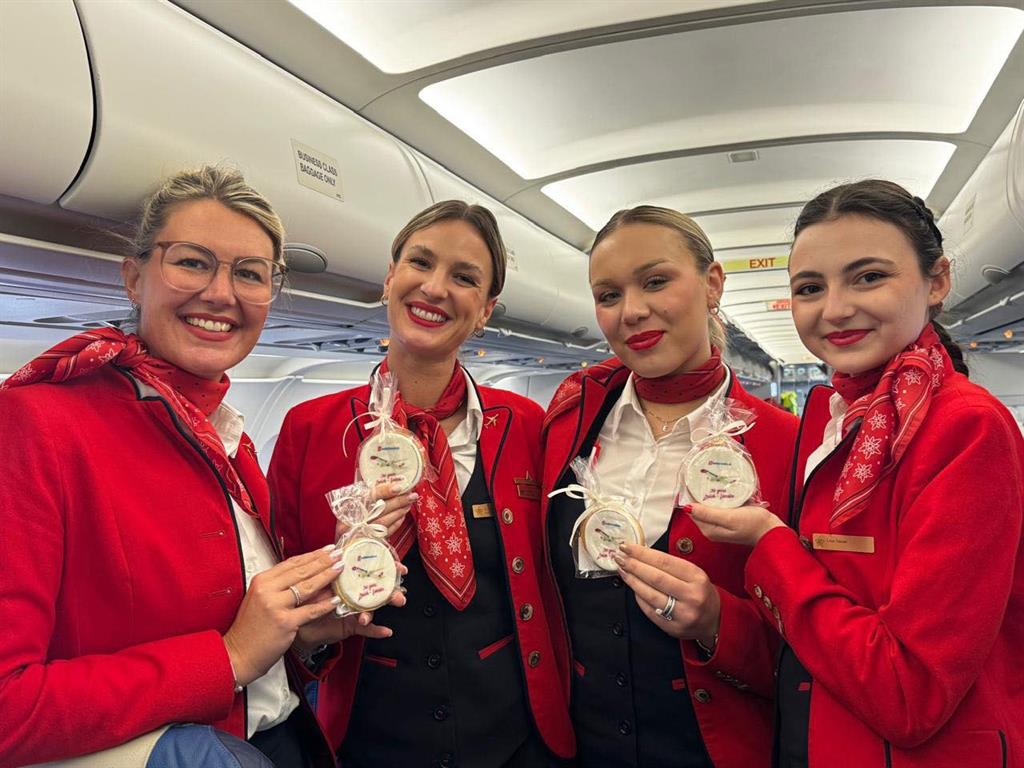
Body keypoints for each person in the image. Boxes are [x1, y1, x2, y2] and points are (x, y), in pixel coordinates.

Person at [0, 166, 401, 768]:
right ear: (134, 278)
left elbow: (253, 659)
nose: (221, 294)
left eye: (249, 273)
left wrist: (302, 637)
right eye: (192, 262)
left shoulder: (232, 440)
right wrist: (230, 657)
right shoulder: (37, 424)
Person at [689, 180, 1024, 767]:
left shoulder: (967, 428)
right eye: (810, 288)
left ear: (937, 280)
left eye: (868, 277)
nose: (835, 309)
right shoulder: (834, 418)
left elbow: (910, 692)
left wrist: (770, 544)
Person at [268, 200, 574, 767]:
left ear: (485, 311)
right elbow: (281, 600)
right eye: (420, 262)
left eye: (465, 277)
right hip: (367, 741)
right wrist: (320, 617)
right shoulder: (309, 428)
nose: (435, 288)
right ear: (390, 278)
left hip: (516, 741)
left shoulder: (526, 424)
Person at [541, 205, 798, 767]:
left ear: (713, 284)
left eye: (656, 281)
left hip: (720, 748)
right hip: (581, 747)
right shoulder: (569, 422)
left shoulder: (786, 444)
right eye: (609, 295)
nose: (632, 311)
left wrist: (717, 622)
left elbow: (817, 644)